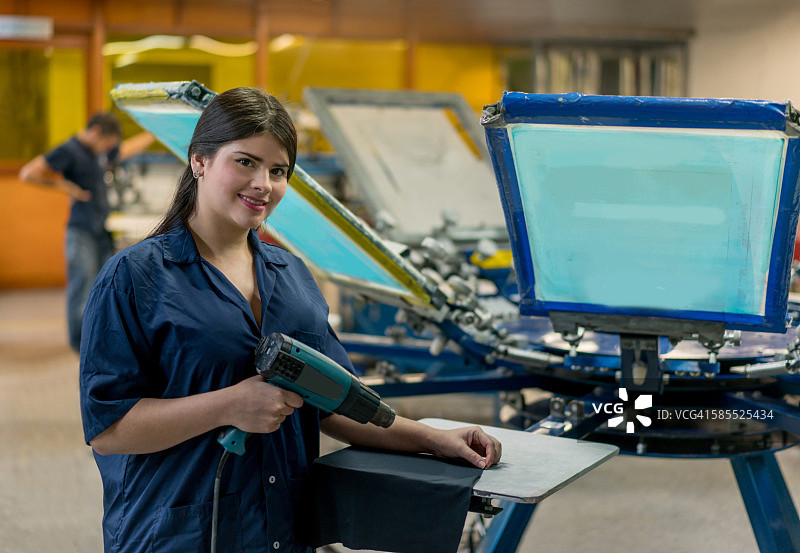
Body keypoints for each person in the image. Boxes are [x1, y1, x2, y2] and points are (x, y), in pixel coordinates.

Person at [79, 87, 502, 553]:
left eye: (278, 171)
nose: (264, 183)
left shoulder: (292, 277)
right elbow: (109, 430)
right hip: (177, 534)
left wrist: (433, 438)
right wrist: (228, 405)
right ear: (199, 161)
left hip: (280, 533)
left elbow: (336, 401)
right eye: (246, 162)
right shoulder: (135, 277)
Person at [18, 113, 153, 352]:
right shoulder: (69, 150)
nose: (108, 149)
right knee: (81, 287)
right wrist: (65, 186)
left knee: (105, 286)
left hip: (101, 229)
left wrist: (155, 131)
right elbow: (28, 173)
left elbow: (127, 149)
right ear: (95, 132)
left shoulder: (97, 151)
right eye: (107, 143)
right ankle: (79, 345)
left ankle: (98, 335)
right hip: (80, 232)